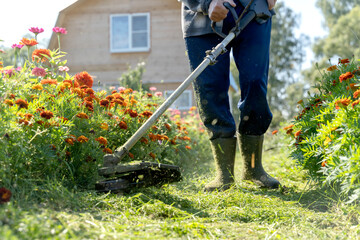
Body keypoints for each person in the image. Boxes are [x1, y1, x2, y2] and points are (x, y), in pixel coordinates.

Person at [179, 0, 280, 191]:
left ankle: (253, 169)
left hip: (254, 9)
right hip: (202, 17)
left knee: (255, 82)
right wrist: (207, 3)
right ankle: (224, 175)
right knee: (210, 90)